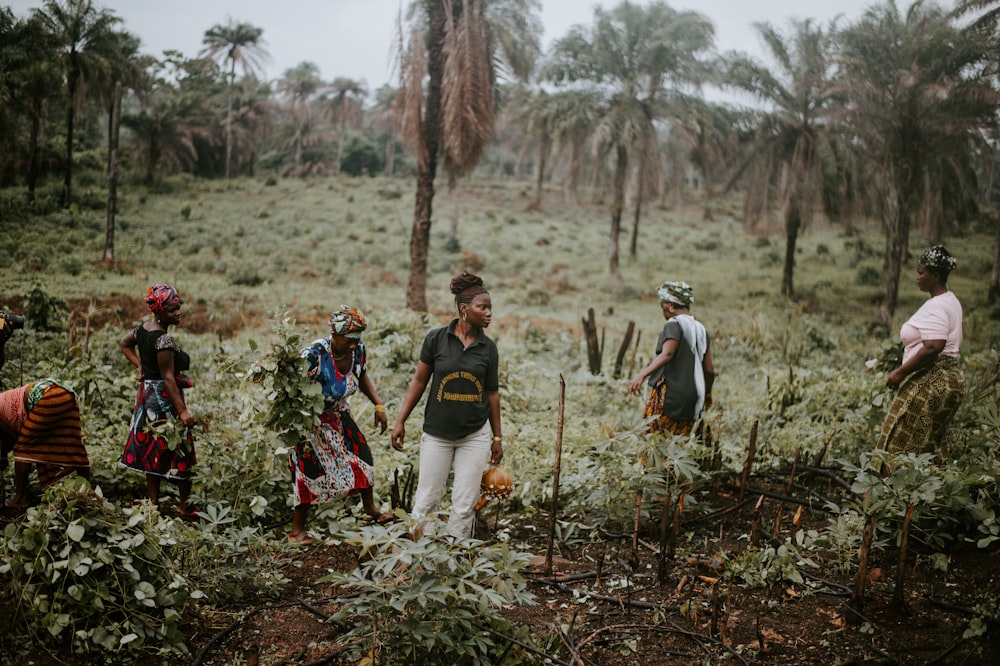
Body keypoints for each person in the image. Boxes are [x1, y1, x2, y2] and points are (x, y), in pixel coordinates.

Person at [391, 272, 503, 539]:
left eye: (490, 308)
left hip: (474, 436)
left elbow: (492, 393)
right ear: (464, 309)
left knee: (464, 505)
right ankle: (421, 557)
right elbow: (419, 381)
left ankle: (455, 557)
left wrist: (497, 437)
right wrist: (400, 420)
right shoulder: (436, 339)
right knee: (426, 501)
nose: (489, 313)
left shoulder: (488, 348)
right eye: (482, 307)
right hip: (436, 435)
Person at [288, 306, 391, 544]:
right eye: (350, 339)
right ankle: (297, 530)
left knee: (362, 454)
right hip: (309, 418)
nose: (354, 344)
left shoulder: (358, 350)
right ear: (334, 334)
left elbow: (361, 374)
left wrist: (379, 405)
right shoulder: (313, 354)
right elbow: (292, 389)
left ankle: (370, 509)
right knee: (308, 469)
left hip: (339, 413)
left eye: (357, 338)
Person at [877, 245, 965, 457]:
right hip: (951, 378)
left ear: (935, 276)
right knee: (930, 444)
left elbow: (934, 346)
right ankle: (929, 487)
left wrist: (900, 372)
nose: (917, 277)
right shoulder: (951, 301)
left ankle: (886, 488)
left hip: (934, 378)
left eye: (921, 272)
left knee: (898, 438)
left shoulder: (937, 305)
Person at [119, 283, 198, 516]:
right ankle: (184, 505)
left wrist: (141, 365)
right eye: (173, 309)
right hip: (162, 399)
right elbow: (168, 378)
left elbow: (124, 344)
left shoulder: (142, 330)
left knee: (152, 446)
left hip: (146, 397)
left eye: (178, 307)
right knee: (180, 446)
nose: (178, 312)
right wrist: (182, 411)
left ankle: (153, 504)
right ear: (160, 311)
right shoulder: (163, 340)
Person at [628, 280, 715, 437]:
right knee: (678, 445)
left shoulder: (674, 324)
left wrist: (641, 375)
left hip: (670, 396)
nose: (663, 313)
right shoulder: (701, 329)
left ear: (671, 306)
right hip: (694, 399)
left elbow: (668, 354)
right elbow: (709, 370)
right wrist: (707, 394)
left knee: (653, 441)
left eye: (663, 307)